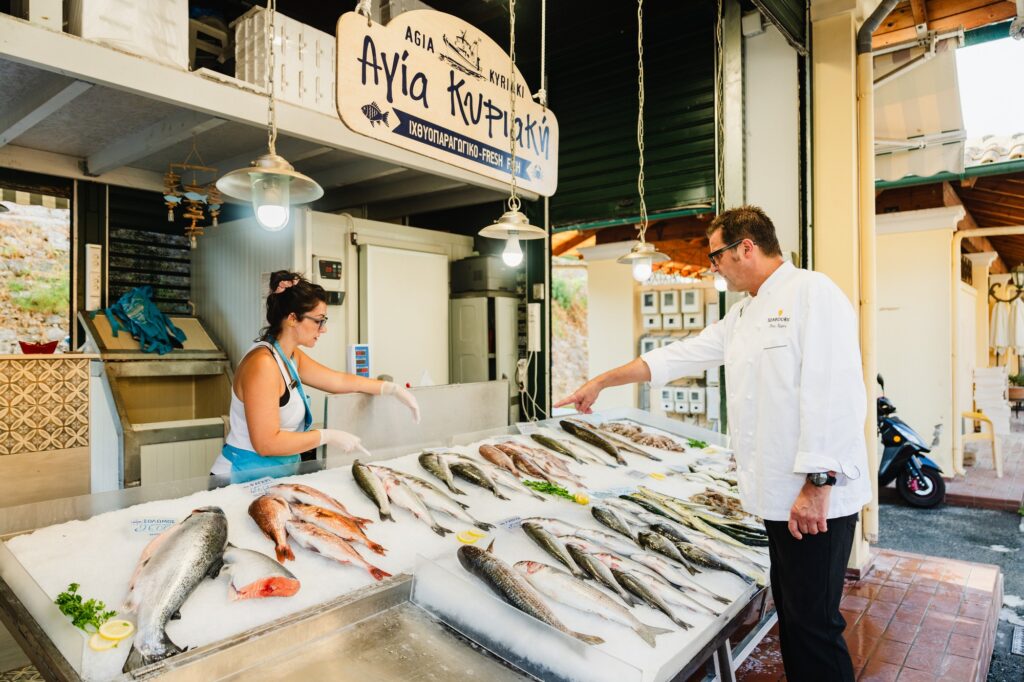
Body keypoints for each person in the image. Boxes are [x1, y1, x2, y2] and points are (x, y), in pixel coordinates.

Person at [556, 206, 871, 682]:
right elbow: (678, 355)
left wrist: (818, 482)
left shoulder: (813, 293)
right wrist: (603, 381)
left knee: (814, 624)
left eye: (717, 255)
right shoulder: (743, 314)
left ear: (747, 247)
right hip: (778, 498)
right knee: (792, 614)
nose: (713, 266)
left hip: (816, 500)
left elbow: (835, 394)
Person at [209, 270, 420, 482]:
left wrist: (390, 389)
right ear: (292, 318)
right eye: (319, 320)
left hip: (271, 475)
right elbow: (266, 443)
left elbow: (338, 380)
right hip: (239, 476)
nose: (324, 329)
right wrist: (327, 436)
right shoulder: (263, 364)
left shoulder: (289, 356)